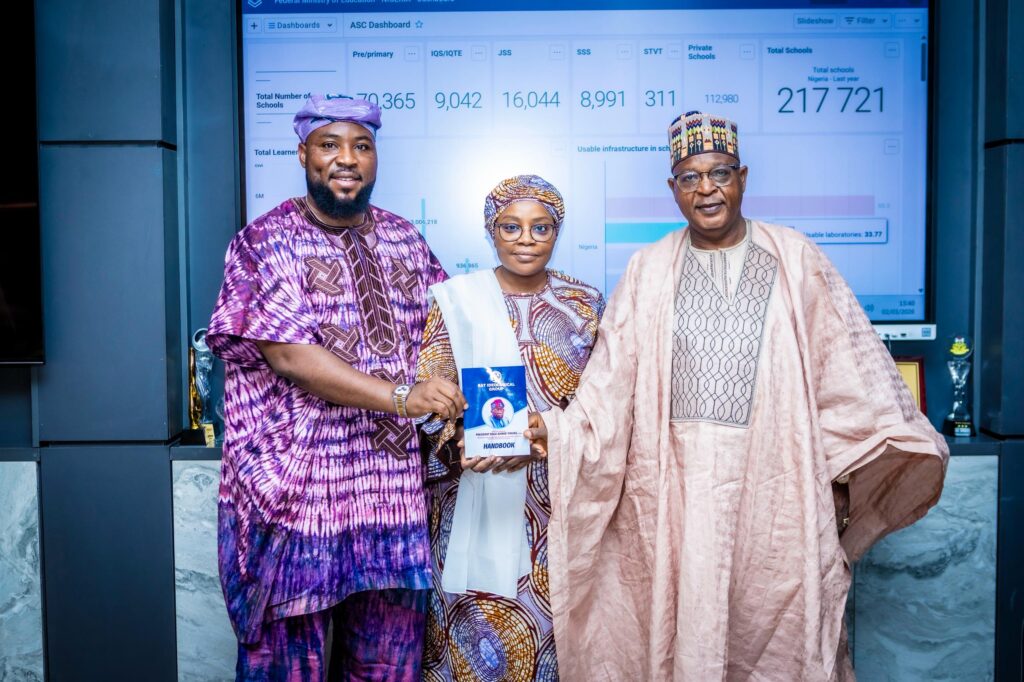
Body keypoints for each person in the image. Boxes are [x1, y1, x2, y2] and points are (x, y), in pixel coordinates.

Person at [525, 112, 948, 680]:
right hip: (675, 502)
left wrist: (885, 447)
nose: (706, 189)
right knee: (685, 633)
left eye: (720, 173)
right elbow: (608, 387)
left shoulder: (795, 258)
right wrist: (559, 432)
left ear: (742, 178)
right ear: (673, 188)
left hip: (776, 500)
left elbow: (847, 368)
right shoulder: (648, 269)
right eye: (690, 177)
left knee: (778, 637)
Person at [206, 94, 465, 681]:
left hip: (391, 498)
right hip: (297, 499)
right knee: (286, 667)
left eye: (362, 146)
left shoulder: (403, 238)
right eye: (330, 145)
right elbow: (291, 356)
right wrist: (403, 397)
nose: (347, 158)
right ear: (303, 154)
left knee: (388, 665)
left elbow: (446, 331)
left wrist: (464, 395)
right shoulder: (265, 241)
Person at [416, 175, 605, 681]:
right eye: (511, 227)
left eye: (541, 227)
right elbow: (431, 390)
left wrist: (551, 436)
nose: (526, 239)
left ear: (557, 231)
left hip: (553, 500)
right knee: (470, 633)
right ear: (490, 231)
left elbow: (604, 400)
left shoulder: (584, 304)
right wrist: (459, 438)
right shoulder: (455, 300)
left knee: (548, 638)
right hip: (471, 490)